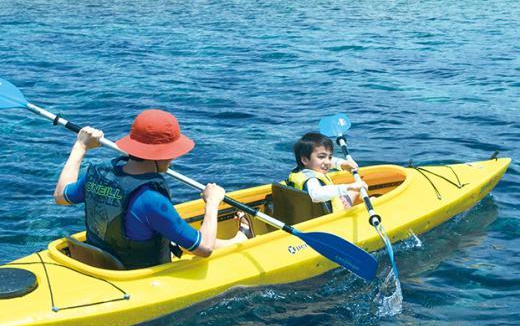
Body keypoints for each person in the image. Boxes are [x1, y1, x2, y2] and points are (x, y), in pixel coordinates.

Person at [54, 108, 246, 268]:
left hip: (103, 258)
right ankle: (240, 240)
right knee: (191, 239)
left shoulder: (97, 175)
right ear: (161, 154)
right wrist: (212, 202)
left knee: (170, 236)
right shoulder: (151, 200)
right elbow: (204, 249)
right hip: (132, 271)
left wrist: (80, 146)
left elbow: (61, 196)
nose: (173, 159)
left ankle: (236, 241)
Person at [285, 131, 364, 212]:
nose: (328, 162)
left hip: (309, 211)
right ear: (305, 159)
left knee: (355, 192)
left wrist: (342, 164)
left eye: (329, 157)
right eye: (322, 157)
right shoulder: (311, 180)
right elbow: (316, 195)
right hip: (333, 217)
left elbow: (324, 161)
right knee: (364, 195)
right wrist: (349, 186)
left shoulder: (301, 169)